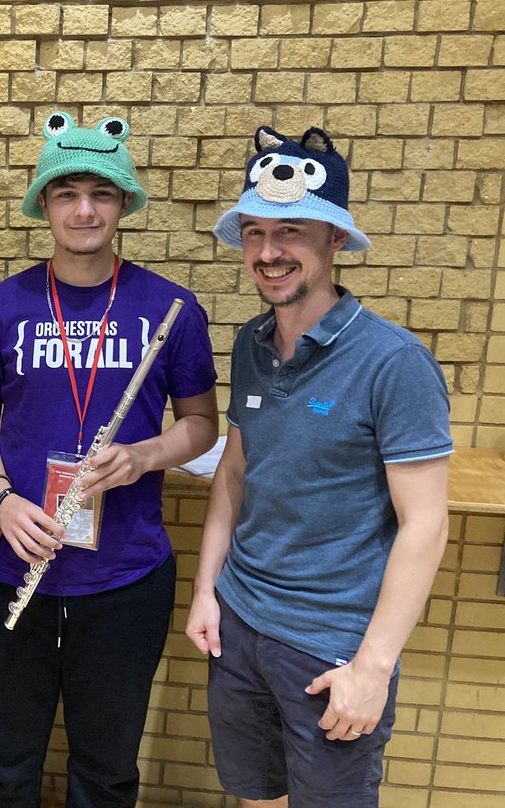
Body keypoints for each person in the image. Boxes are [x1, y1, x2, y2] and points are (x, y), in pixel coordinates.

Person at [185, 126, 452, 807]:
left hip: (330, 646)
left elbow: (425, 524)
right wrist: (207, 590)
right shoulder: (250, 342)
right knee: (257, 797)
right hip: (240, 627)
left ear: (335, 240)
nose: (268, 253)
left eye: (291, 232)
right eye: (253, 233)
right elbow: (236, 475)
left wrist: (373, 666)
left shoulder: (394, 361)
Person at [0, 112, 219, 807]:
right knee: (7, 766)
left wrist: (143, 456)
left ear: (124, 203)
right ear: (43, 204)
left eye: (101, 193)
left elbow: (200, 426)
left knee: (106, 772)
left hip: (126, 576)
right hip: (11, 563)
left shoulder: (171, 307)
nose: (84, 209)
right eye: (66, 191)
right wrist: (1, 497)